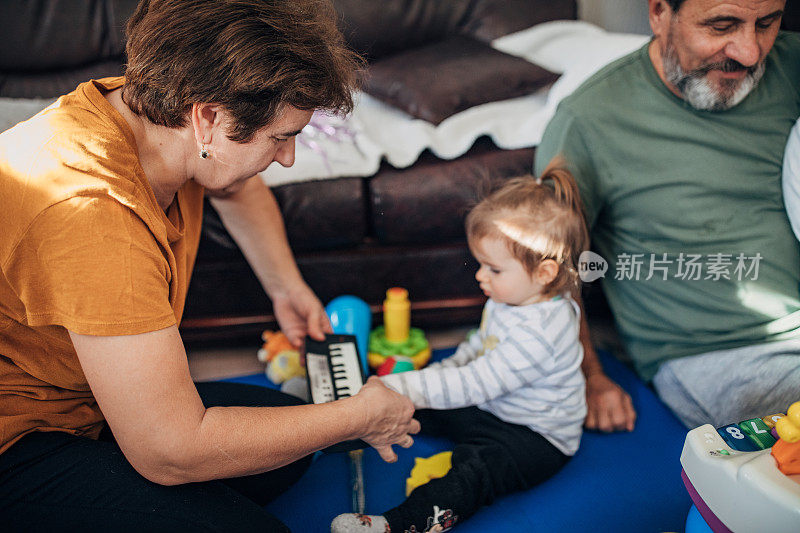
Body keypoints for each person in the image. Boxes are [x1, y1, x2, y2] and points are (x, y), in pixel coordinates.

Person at [0, 0, 420, 530]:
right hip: (16, 440)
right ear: (208, 120)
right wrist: (356, 416)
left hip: (85, 402)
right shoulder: (94, 219)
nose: (288, 157)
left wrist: (286, 287)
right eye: (281, 137)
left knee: (285, 447)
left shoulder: (152, 111)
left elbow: (237, 188)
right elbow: (168, 451)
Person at [535, 0, 800, 432]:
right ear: (659, 12)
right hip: (723, 353)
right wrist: (589, 377)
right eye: (721, 25)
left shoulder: (792, 65)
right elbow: (547, 266)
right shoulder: (589, 121)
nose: (751, 52)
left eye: (767, 24)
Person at [331, 164, 589, 533]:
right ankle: (335, 417)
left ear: (545, 273)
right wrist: (437, 374)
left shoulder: (543, 334)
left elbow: (476, 383)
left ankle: (395, 525)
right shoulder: (514, 297)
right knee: (422, 404)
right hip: (493, 404)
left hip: (534, 436)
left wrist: (402, 386)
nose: (480, 276)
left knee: (473, 472)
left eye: (493, 269)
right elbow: (480, 346)